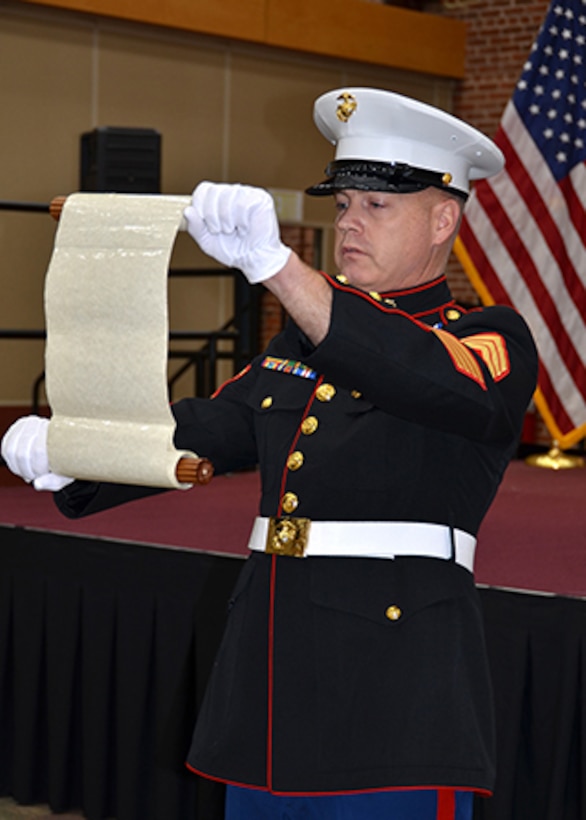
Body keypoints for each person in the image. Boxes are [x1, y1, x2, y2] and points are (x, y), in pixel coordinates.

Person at [2, 88, 538, 820]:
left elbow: (410, 369)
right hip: (268, 699)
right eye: (344, 204)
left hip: (392, 702)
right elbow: (213, 428)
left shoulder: (491, 338)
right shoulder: (302, 348)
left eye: (375, 207)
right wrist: (78, 448)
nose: (349, 222)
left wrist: (275, 266)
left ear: (443, 217)